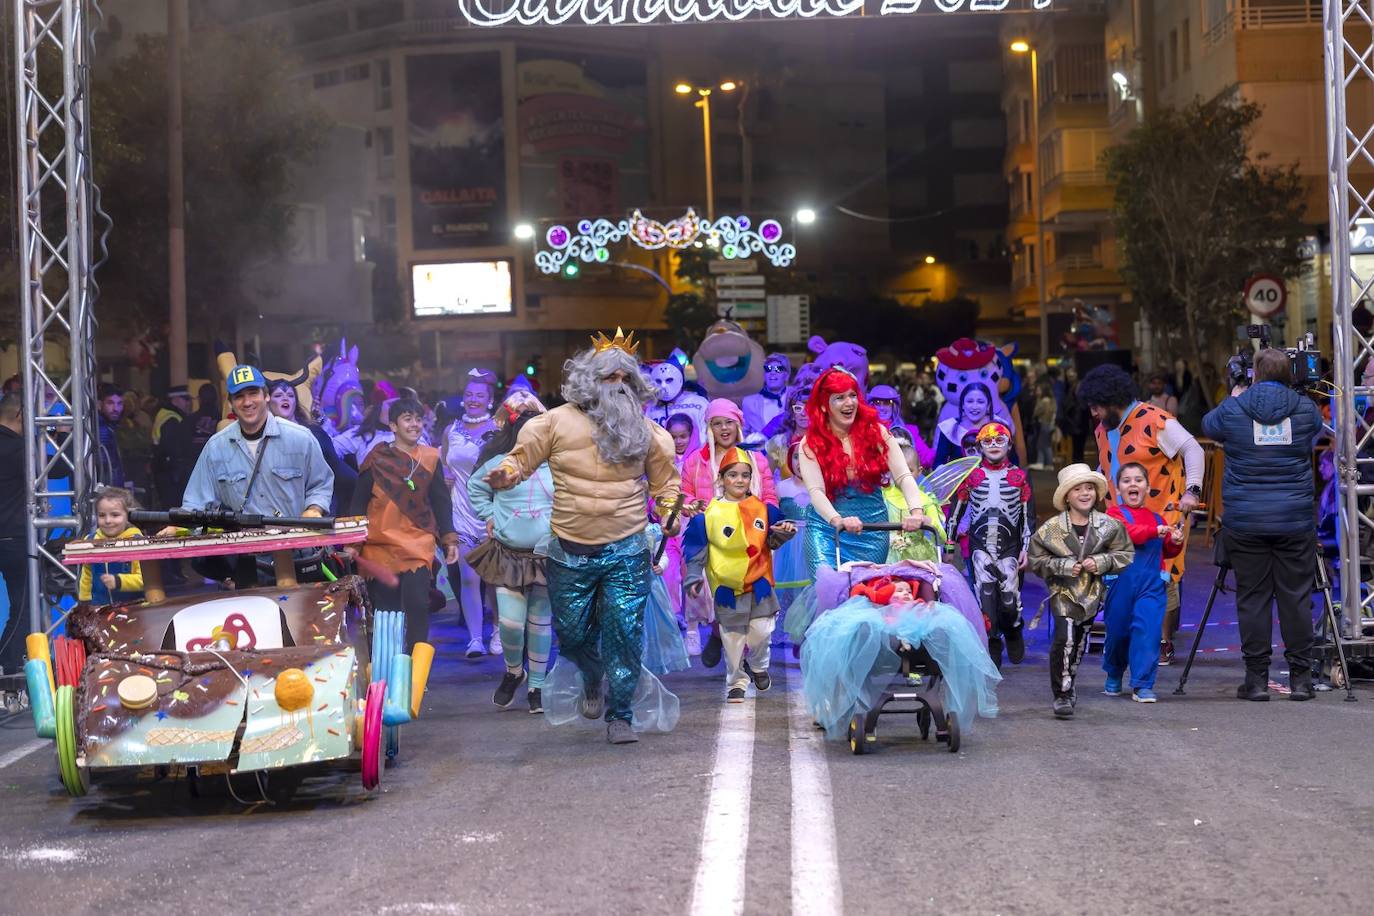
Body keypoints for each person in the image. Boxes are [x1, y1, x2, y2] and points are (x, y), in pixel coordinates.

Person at [483, 329, 685, 745]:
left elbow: (667, 487)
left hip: (626, 548)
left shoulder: (649, 433)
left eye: (625, 378)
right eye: (609, 377)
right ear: (588, 380)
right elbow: (520, 461)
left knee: (624, 633)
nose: (618, 385)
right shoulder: (553, 423)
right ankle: (592, 675)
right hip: (568, 550)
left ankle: (621, 715)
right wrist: (505, 475)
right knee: (573, 636)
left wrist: (670, 513)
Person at [1201, 348, 1323, 701]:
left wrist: (1236, 395)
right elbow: (1315, 428)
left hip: (1246, 521)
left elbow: (1209, 425)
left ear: (1254, 373)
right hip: (1294, 519)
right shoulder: (1305, 409)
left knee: (1253, 598)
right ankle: (1301, 679)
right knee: (1296, 598)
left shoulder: (1235, 407)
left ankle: (1256, 680)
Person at [1078, 363, 1204, 665]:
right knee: (1123, 577)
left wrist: (1192, 491)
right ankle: (1134, 637)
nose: (1094, 413)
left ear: (1112, 400)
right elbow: (1108, 464)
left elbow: (1193, 449)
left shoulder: (1155, 419)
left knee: (1162, 577)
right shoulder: (1103, 429)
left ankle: (1162, 641)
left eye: (1097, 406)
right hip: (1120, 519)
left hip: (1161, 516)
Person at [172, 365, 334, 588]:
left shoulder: (300, 438)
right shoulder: (215, 447)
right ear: (231, 403)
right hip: (247, 564)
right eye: (239, 396)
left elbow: (321, 484)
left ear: (266, 395)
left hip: (298, 555)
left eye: (253, 393)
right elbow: (195, 503)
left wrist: (314, 509)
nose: (247, 402)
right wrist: (177, 526)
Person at [683, 448, 797, 702]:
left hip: (760, 583)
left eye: (745, 475)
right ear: (721, 478)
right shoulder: (709, 515)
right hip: (727, 587)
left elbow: (772, 541)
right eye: (732, 475)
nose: (739, 480)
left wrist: (783, 534)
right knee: (733, 640)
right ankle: (736, 682)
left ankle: (758, 665)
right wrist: (693, 575)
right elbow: (697, 549)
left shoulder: (764, 510)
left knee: (762, 632)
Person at [467, 390, 556, 713]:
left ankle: (537, 687)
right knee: (509, 623)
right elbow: (475, 488)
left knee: (540, 623)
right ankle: (514, 672)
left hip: (546, 556)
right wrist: (490, 515)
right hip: (508, 554)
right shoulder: (498, 464)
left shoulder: (557, 466)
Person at [350, 397, 458, 652]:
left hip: (417, 543)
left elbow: (441, 501)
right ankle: (387, 666)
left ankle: (415, 667)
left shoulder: (430, 458)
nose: (415, 424)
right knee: (386, 613)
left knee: (418, 605)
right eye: (407, 419)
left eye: (418, 419)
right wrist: (353, 543)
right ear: (393, 426)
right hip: (379, 544)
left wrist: (449, 538)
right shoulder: (377, 458)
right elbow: (358, 502)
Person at [1028, 464, 1134, 719]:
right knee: (1064, 640)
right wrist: (1063, 566)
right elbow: (1036, 560)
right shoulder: (1052, 528)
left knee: (1079, 643)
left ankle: (1070, 682)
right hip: (1062, 593)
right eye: (1077, 489)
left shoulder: (1109, 525)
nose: (1085, 493)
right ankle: (1062, 694)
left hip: (1091, 594)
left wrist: (1101, 562)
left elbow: (1125, 553)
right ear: (1067, 496)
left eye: (1089, 488)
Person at [798, 368, 927, 573]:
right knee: (829, 586)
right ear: (823, 405)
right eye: (839, 398)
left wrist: (917, 512)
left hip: (871, 531)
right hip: (826, 529)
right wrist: (838, 520)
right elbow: (816, 492)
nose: (849, 403)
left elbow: (903, 476)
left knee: (867, 588)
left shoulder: (877, 432)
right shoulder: (810, 443)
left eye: (852, 395)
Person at [681, 398, 778, 667]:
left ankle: (741, 655)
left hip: (749, 538)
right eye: (717, 423)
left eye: (729, 423)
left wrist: (767, 519)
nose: (724, 428)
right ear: (709, 427)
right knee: (716, 597)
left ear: (738, 425)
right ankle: (716, 633)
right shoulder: (696, 461)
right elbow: (685, 493)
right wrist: (693, 506)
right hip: (711, 539)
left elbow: (769, 495)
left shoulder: (756, 459)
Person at [950, 422, 1034, 669]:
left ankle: (1014, 628)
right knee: (985, 598)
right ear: (979, 446)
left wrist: (1026, 548)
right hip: (980, 545)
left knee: (1009, 600)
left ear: (1009, 444)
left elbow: (1027, 515)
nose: (994, 445)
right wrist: (949, 543)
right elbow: (956, 511)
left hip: (1010, 546)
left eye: (1000, 440)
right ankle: (993, 642)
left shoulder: (1020, 477)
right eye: (987, 441)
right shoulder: (971, 477)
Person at [1103, 463, 1185, 704]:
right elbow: (1125, 533)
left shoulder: (1157, 518)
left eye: (1138, 480)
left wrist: (1175, 541)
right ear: (1118, 488)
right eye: (1126, 480)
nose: (1133, 484)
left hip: (1151, 585)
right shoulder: (1113, 515)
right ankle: (1114, 671)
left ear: (1148, 488)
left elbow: (1167, 551)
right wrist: (1155, 531)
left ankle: (1143, 684)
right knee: (1118, 632)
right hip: (1121, 584)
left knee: (1148, 632)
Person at [441, 368, 500, 658]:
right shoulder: (450, 431)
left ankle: (498, 631)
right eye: (469, 394)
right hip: (461, 512)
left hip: (492, 513)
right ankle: (475, 639)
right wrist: (445, 477)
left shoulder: (499, 429)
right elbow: (444, 465)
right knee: (468, 579)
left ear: (490, 400)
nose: (474, 399)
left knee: (495, 581)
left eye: (480, 395)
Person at [268, 378, 354, 513]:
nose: (285, 398)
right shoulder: (265, 437)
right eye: (278, 395)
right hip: (281, 504)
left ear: (295, 402)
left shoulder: (314, 432)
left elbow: (335, 465)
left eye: (290, 395)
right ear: (267, 402)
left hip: (320, 500)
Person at [0, 394, 28, 679]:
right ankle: (7, 663)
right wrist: (59, 435)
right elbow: (58, 468)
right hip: (12, 536)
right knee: (23, 607)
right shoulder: (19, 449)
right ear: (21, 415)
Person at [76, 487, 144, 605]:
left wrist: (119, 581)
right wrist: (84, 602)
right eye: (102, 515)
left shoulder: (137, 542)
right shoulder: (91, 541)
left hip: (133, 608)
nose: (108, 520)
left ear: (128, 516)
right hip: (100, 608)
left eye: (115, 515)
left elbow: (145, 580)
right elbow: (86, 576)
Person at [869, 383, 935, 470]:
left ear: (894, 406)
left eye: (887, 402)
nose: (882, 408)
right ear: (871, 405)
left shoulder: (908, 432)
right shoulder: (862, 431)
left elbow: (925, 458)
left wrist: (944, 453)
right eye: (877, 403)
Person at [932, 382, 996, 468]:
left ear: (988, 405)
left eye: (980, 402)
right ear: (962, 404)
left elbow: (1011, 462)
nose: (974, 407)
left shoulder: (999, 426)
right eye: (970, 401)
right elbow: (938, 464)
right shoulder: (950, 427)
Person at [742, 352, 792, 436]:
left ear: (787, 376)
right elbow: (744, 433)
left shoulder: (795, 397)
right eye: (768, 369)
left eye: (778, 369)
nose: (772, 372)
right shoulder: (749, 403)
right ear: (764, 375)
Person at [96, 383, 126, 488]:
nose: (116, 408)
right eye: (110, 403)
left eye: (119, 403)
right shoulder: (102, 428)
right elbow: (104, 466)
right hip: (108, 488)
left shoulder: (110, 426)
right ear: (99, 404)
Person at [1032, 380, 1057, 469]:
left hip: (1045, 424)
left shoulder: (1045, 401)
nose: (1036, 391)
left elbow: (1037, 412)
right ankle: (1043, 462)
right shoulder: (1050, 400)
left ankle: (1045, 463)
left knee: (1044, 445)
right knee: (1043, 444)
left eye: (1038, 389)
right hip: (1048, 425)